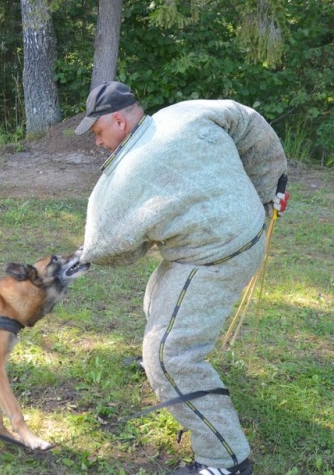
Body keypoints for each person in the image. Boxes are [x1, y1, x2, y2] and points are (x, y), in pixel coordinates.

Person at [75, 81, 288, 475]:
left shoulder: (133, 169)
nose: (98, 143)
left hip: (218, 254)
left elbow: (110, 244)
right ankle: (162, 369)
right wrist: (269, 187)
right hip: (241, 231)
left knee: (169, 355)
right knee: (158, 296)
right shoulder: (184, 113)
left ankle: (224, 460)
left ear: (118, 120)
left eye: (97, 132)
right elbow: (248, 122)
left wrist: (84, 257)